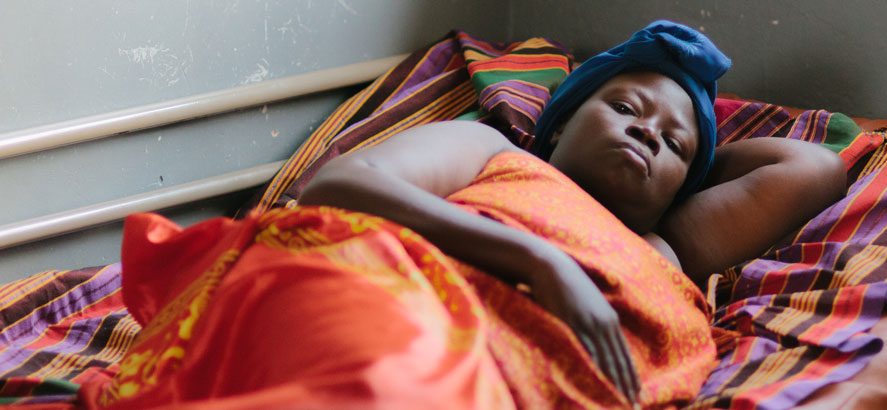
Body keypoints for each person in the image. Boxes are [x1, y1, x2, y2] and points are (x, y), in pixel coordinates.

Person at [79, 21, 844, 409]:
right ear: (557, 126)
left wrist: (693, 155)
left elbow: (815, 168)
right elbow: (340, 185)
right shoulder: (497, 154)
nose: (649, 132)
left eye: (673, 143)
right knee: (375, 363)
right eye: (624, 108)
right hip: (394, 310)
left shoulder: (668, 246)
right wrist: (538, 260)